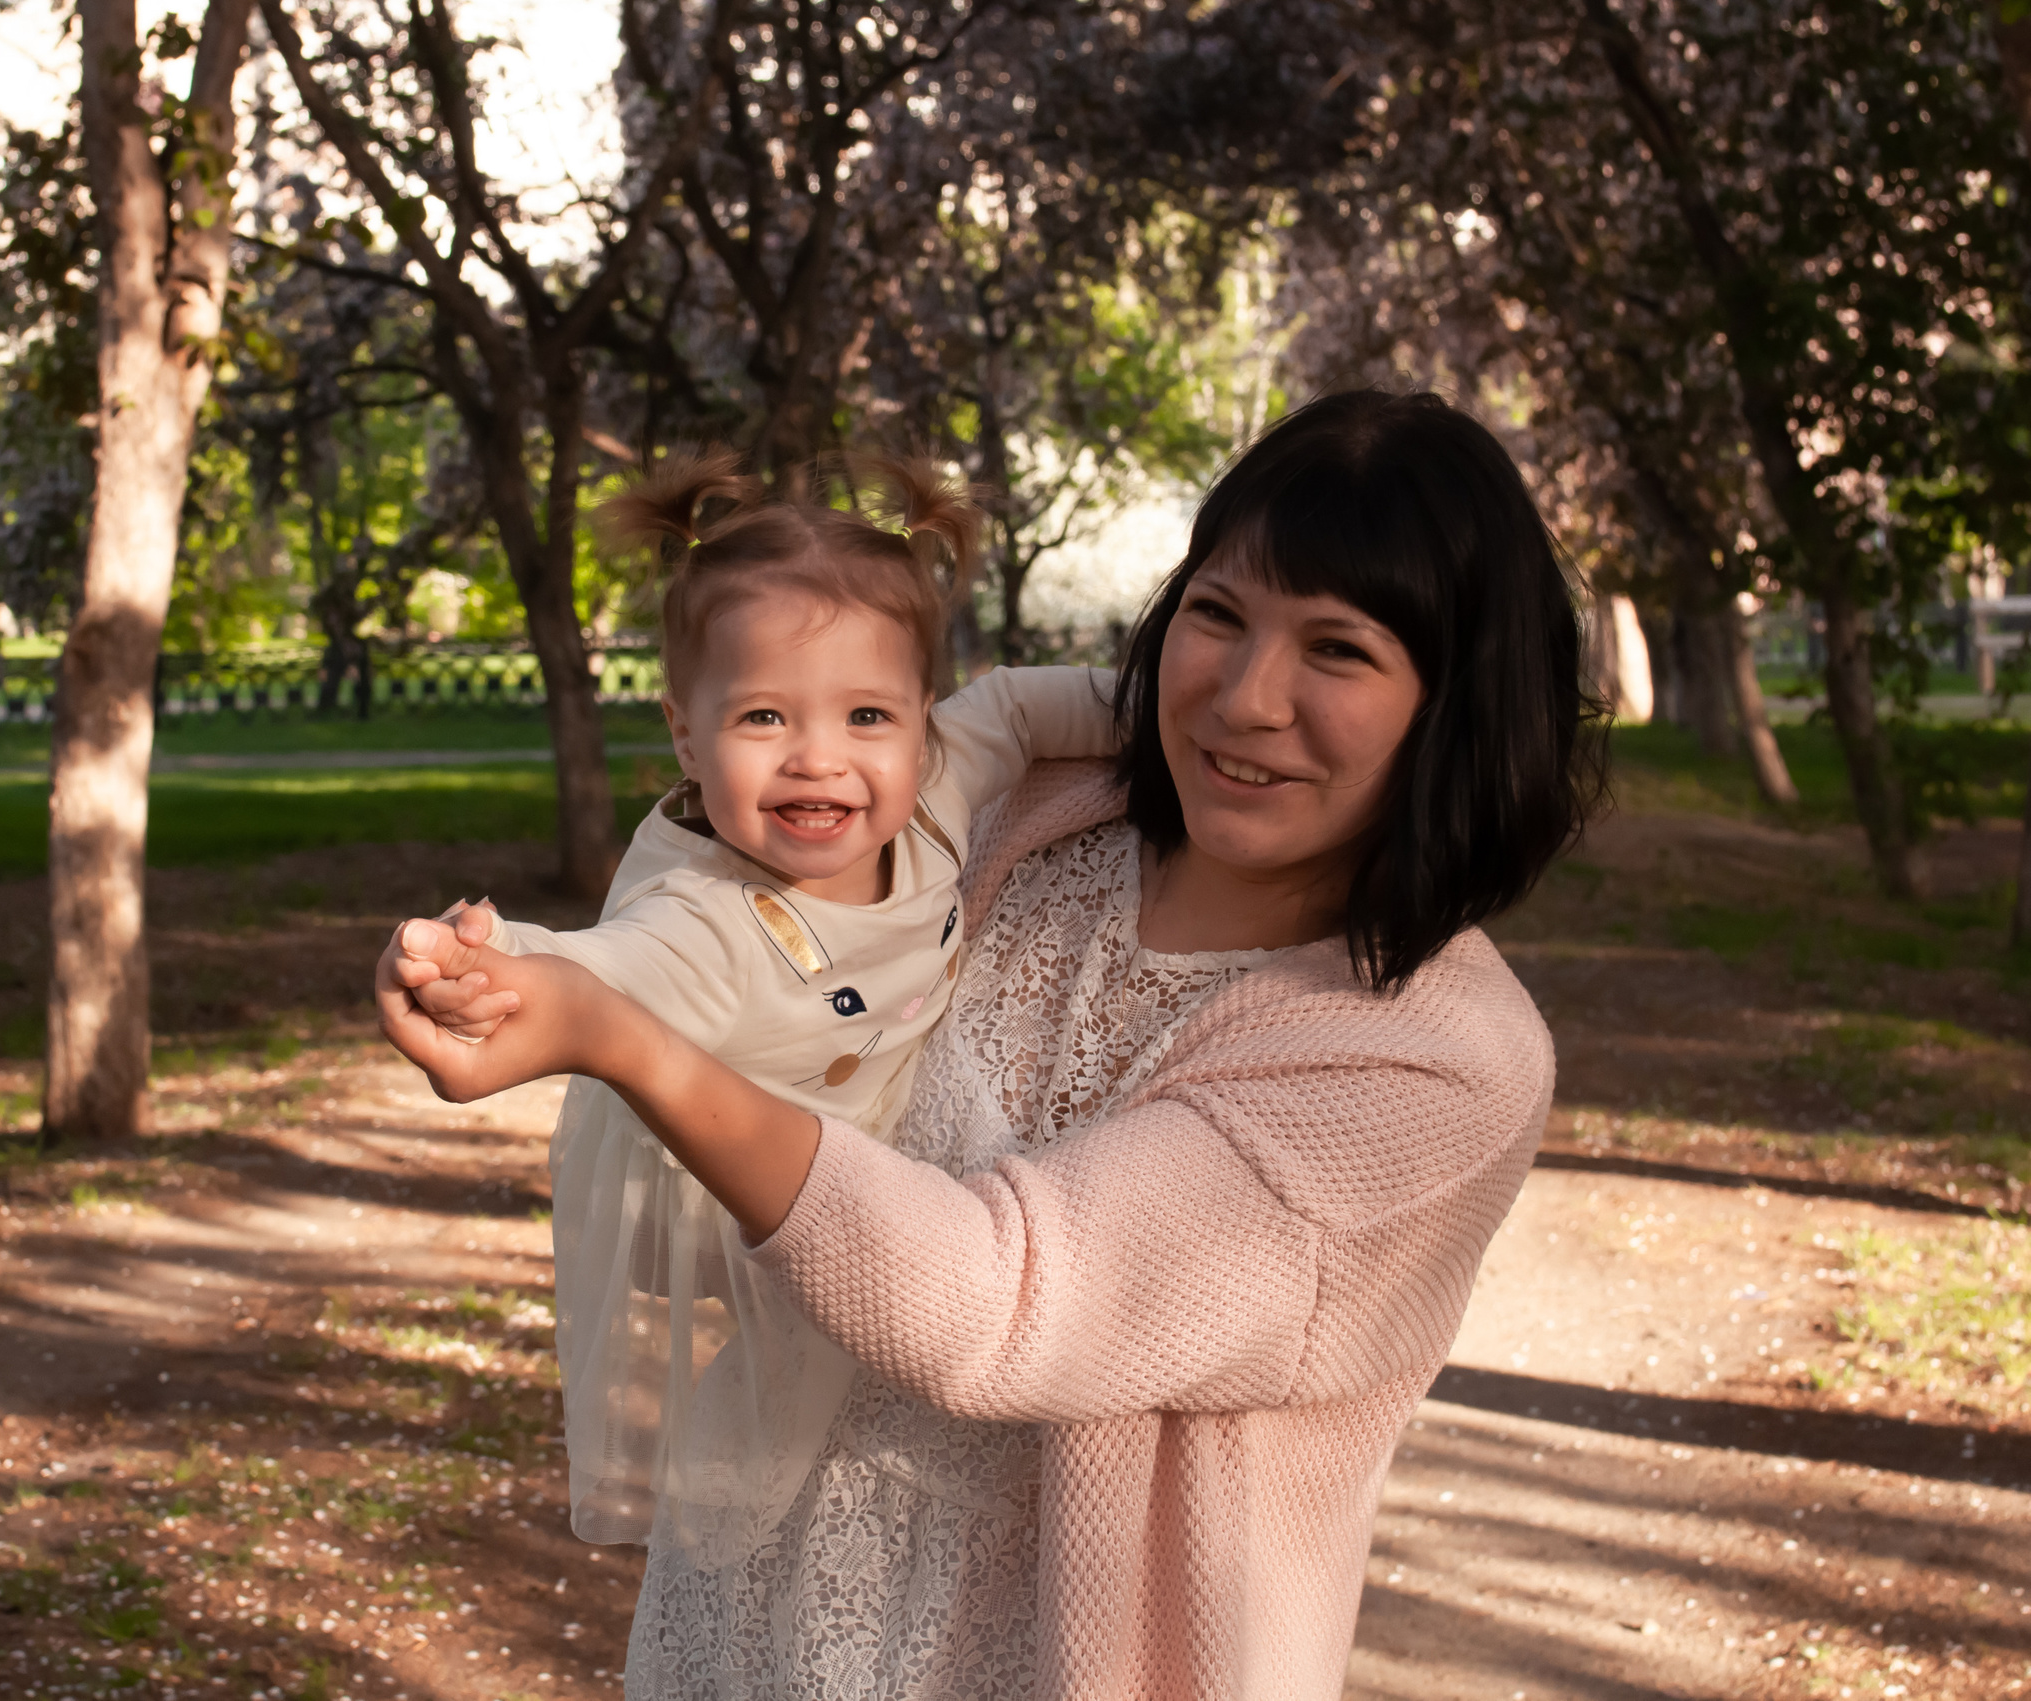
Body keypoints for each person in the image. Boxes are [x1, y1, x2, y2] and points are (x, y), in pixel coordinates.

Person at [384, 389, 1606, 1700]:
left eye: (1340, 651)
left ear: (1458, 704)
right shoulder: (1021, 822)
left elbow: (997, 1300)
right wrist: (531, 975)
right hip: (749, 1619)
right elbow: (748, 945)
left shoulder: (1434, 1061)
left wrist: (622, 1044)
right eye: (1217, 614)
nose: (1246, 697)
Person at [402, 447, 1118, 1565]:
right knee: (818, 1426)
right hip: (748, 1176)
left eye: (866, 716)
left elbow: (1027, 708)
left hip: (881, 1120)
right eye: (764, 719)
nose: (819, 761)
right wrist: (486, 958)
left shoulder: (943, 779)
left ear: (922, 719)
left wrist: (1170, 721)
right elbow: (609, 966)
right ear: (687, 737)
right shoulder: (712, 919)